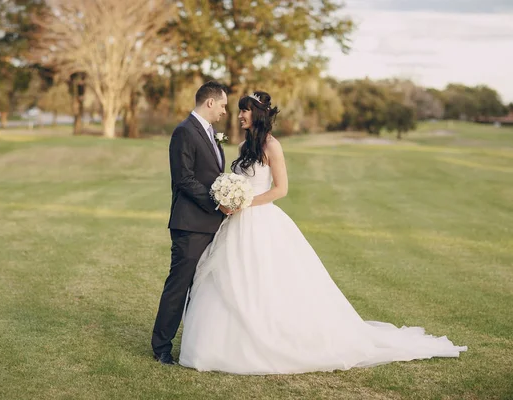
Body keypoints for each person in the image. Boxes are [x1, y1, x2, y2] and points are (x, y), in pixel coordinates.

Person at [178, 91, 467, 374]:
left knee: (265, 279)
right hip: (237, 223)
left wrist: (245, 202)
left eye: (244, 110)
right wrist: (231, 200)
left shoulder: (272, 146)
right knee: (228, 278)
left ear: (258, 115)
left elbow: (281, 189)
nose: (240, 115)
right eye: (239, 109)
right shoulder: (244, 147)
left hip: (260, 220)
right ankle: (223, 344)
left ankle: (270, 339)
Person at [151, 81, 232, 365]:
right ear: (209, 102)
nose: (225, 111)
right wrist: (217, 201)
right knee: (179, 284)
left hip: (212, 222)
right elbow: (183, 178)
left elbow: (212, 172)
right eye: (222, 105)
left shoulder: (211, 133)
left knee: (204, 286)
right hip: (190, 224)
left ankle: (198, 341)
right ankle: (161, 345)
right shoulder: (184, 132)